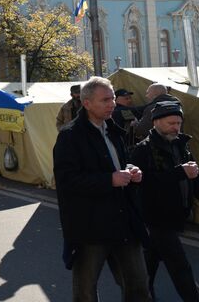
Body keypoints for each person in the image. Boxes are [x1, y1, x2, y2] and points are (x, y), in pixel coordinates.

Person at [53, 76, 151, 301]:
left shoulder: (113, 130)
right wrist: (110, 180)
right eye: (105, 100)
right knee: (86, 292)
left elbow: (115, 164)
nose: (113, 104)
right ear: (87, 103)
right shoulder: (69, 136)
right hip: (90, 227)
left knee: (138, 286)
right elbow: (67, 181)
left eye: (113, 98)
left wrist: (130, 170)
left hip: (124, 221)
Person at [130, 101, 199, 301]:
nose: (176, 127)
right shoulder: (143, 149)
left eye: (178, 123)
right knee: (180, 266)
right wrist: (179, 173)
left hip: (174, 217)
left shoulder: (180, 144)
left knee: (149, 265)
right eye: (171, 123)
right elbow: (143, 183)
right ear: (156, 122)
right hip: (155, 218)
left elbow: (194, 176)